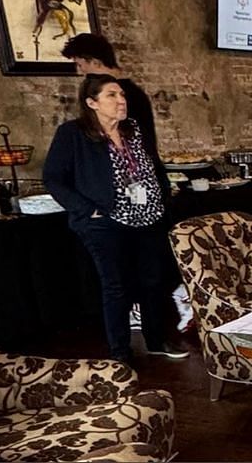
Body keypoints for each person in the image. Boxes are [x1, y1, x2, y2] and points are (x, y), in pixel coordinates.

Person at [43, 74, 191, 363]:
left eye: (122, 95)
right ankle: (120, 352)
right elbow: (53, 178)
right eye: (112, 95)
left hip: (148, 218)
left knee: (153, 281)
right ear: (91, 102)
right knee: (117, 286)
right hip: (106, 222)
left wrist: (163, 198)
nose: (121, 101)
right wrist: (87, 210)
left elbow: (154, 166)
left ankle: (156, 339)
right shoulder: (73, 133)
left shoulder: (134, 128)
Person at [62, 32, 193, 333]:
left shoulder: (127, 106)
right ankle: (128, 340)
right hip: (111, 213)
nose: (78, 70)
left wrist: (156, 195)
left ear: (93, 61)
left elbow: (145, 154)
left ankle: (157, 322)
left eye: (80, 63)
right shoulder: (75, 130)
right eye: (113, 96)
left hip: (138, 208)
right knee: (124, 279)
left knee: (144, 274)